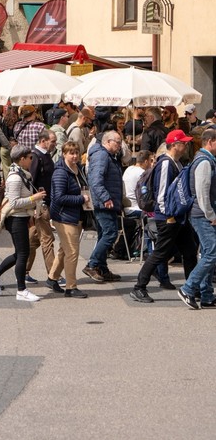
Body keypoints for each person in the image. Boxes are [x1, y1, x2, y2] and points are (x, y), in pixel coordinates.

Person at [130, 129, 197, 304]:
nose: (186, 145)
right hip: (168, 216)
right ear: (175, 145)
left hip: (177, 215)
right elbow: (161, 193)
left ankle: (192, 288)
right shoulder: (166, 163)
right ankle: (139, 287)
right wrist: (169, 215)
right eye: (183, 142)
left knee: (189, 251)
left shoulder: (176, 162)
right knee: (160, 252)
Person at [0, 147, 46, 302]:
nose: (32, 161)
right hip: (16, 219)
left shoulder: (22, 175)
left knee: (20, 253)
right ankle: (21, 290)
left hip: (22, 217)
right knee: (23, 253)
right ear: (22, 159)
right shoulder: (15, 178)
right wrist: (34, 198)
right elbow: (14, 202)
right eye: (30, 158)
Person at [178, 128, 216, 309]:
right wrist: (211, 215)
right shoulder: (204, 162)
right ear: (210, 142)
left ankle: (207, 294)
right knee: (212, 252)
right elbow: (202, 194)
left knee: (210, 252)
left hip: (202, 214)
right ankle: (188, 288)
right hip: (202, 214)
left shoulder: (205, 160)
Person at [48, 141, 91, 298]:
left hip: (75, 215)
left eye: (76, 153)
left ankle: (52, 278)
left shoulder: (78, 169)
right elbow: (59, 198)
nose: (74, 156)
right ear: (64, 154)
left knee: (64, 250)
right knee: (72, 252)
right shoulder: (60, 172)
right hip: (64, 216)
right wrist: (80, 199)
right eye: (71, 153)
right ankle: (70, 287)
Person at [82, 131, 124, 283]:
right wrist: (105, 197)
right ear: (108, 141)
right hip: (105, 202)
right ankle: (92, 264)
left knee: (103, 235)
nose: (120, 146)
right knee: (110, 234)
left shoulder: (107, 156)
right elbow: (96, 180)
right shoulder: (102, 155)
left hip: (107, 201)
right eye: (117, 142)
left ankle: (102, 267)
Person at [28, 130, 57, 284]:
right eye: (53, 141)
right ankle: (54, 275)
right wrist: (34, 204)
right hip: (40, 204)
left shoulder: (45, 155)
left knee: (33, 240)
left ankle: (24, 270)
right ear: (43, 140)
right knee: (47, 239)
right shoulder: (37, 156)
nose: (55, 144)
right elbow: (31, 180)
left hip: (44, 202)